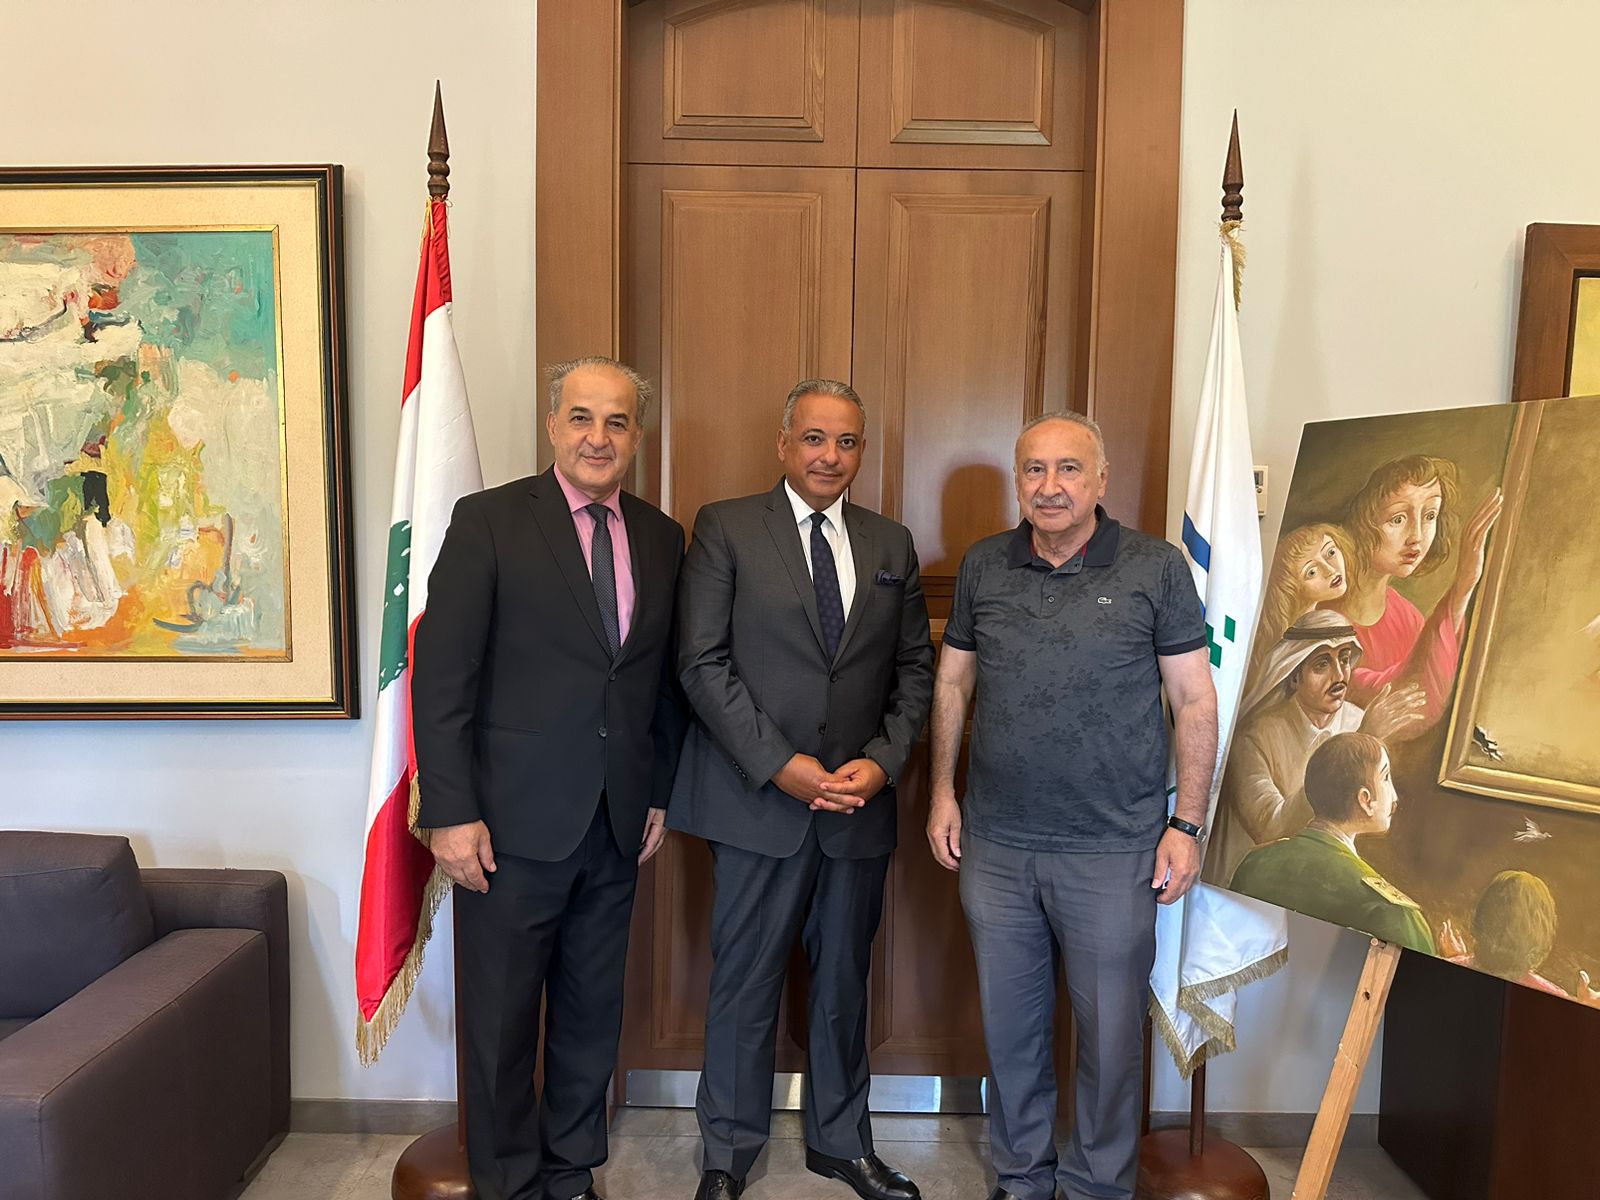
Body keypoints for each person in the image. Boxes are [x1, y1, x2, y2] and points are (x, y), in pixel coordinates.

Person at [412, 356, 688, 1200]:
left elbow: (660, 681)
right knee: (500, 1020)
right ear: (552, 426)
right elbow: (443, 677)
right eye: (581, 418)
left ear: (636, 436)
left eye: (616, 421)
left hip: (615, 822)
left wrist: (657, 790)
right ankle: (506, 1182)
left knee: (590, 1013)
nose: (597, 437)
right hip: (507, 826)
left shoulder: (661, 536)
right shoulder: (490, 521)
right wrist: (450, 813)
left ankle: (569, 1174)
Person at [925, 411, 1217, 1200]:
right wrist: (943, 791)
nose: (1049, 487)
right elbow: (952, 681)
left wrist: (1186, 824)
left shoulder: (1156, 568)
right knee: (1011, 1034)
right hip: (997, 846)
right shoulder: (985, 565)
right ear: (1017, 479)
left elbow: (1194, 700)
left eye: (1068, 469)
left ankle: (1096, 1187)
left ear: (1101, 479)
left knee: (1111, 1043)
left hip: (1114, 849)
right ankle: (1022, 1178)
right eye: (1034, 469)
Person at [670, 379, 934, 1200]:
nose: (829, 456)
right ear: (784, 444)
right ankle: (727, 1155)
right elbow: (701, 663)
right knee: (744, 985)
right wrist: (781, 764)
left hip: (857, 807)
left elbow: (915, 670)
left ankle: (842, 1145)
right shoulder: (725, 527)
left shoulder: (891, 542)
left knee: (844, 986)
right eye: (814, 438)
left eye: (846, 441)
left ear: (862, 451)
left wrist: (883, 763)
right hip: (757, 803)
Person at [1208, 611, 1426, 885]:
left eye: (1344, 660)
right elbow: (1271, 829)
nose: (1339, 675)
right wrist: (1363, 739)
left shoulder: (1358, 721)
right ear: (1294, 677)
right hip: (1258, 881)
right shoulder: (1254, 737)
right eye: (1322, 665)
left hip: (1322, 880)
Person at [1333, 454, 1502, 728]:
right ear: (1360, 521)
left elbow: (1425, 702)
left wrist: (1463, 590)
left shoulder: (1408, 619)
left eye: (1430, 516)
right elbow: (1398, 693)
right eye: (1398, 519)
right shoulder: (1320, 614)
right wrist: (1461, 588)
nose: (1418, 536)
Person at [1229, 732, 1435, 954]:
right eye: (1385, 777)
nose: (1394, 797)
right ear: (1365, 800)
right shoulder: (1392, 911)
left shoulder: (1253, 864)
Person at [1246, 523, 1350, 684]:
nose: (1330, 570)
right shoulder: (1289, 646)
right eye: (1312, 572)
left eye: (1330, 553)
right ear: (1291, 587)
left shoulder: (1325, 622)